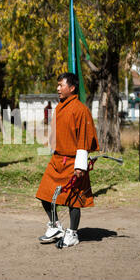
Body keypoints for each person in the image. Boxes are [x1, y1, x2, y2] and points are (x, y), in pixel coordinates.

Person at [36, 72, 99, 248]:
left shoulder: (81, 110)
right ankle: (55, 226)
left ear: (71, 88)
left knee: (74, 200)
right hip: (57, 160)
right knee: (44, 194)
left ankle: (72, 234)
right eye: (57, 85)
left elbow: (84, 138)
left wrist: (80, 165)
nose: (58, 88)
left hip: (73, 161)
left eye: (61, 85)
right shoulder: (59, 108)